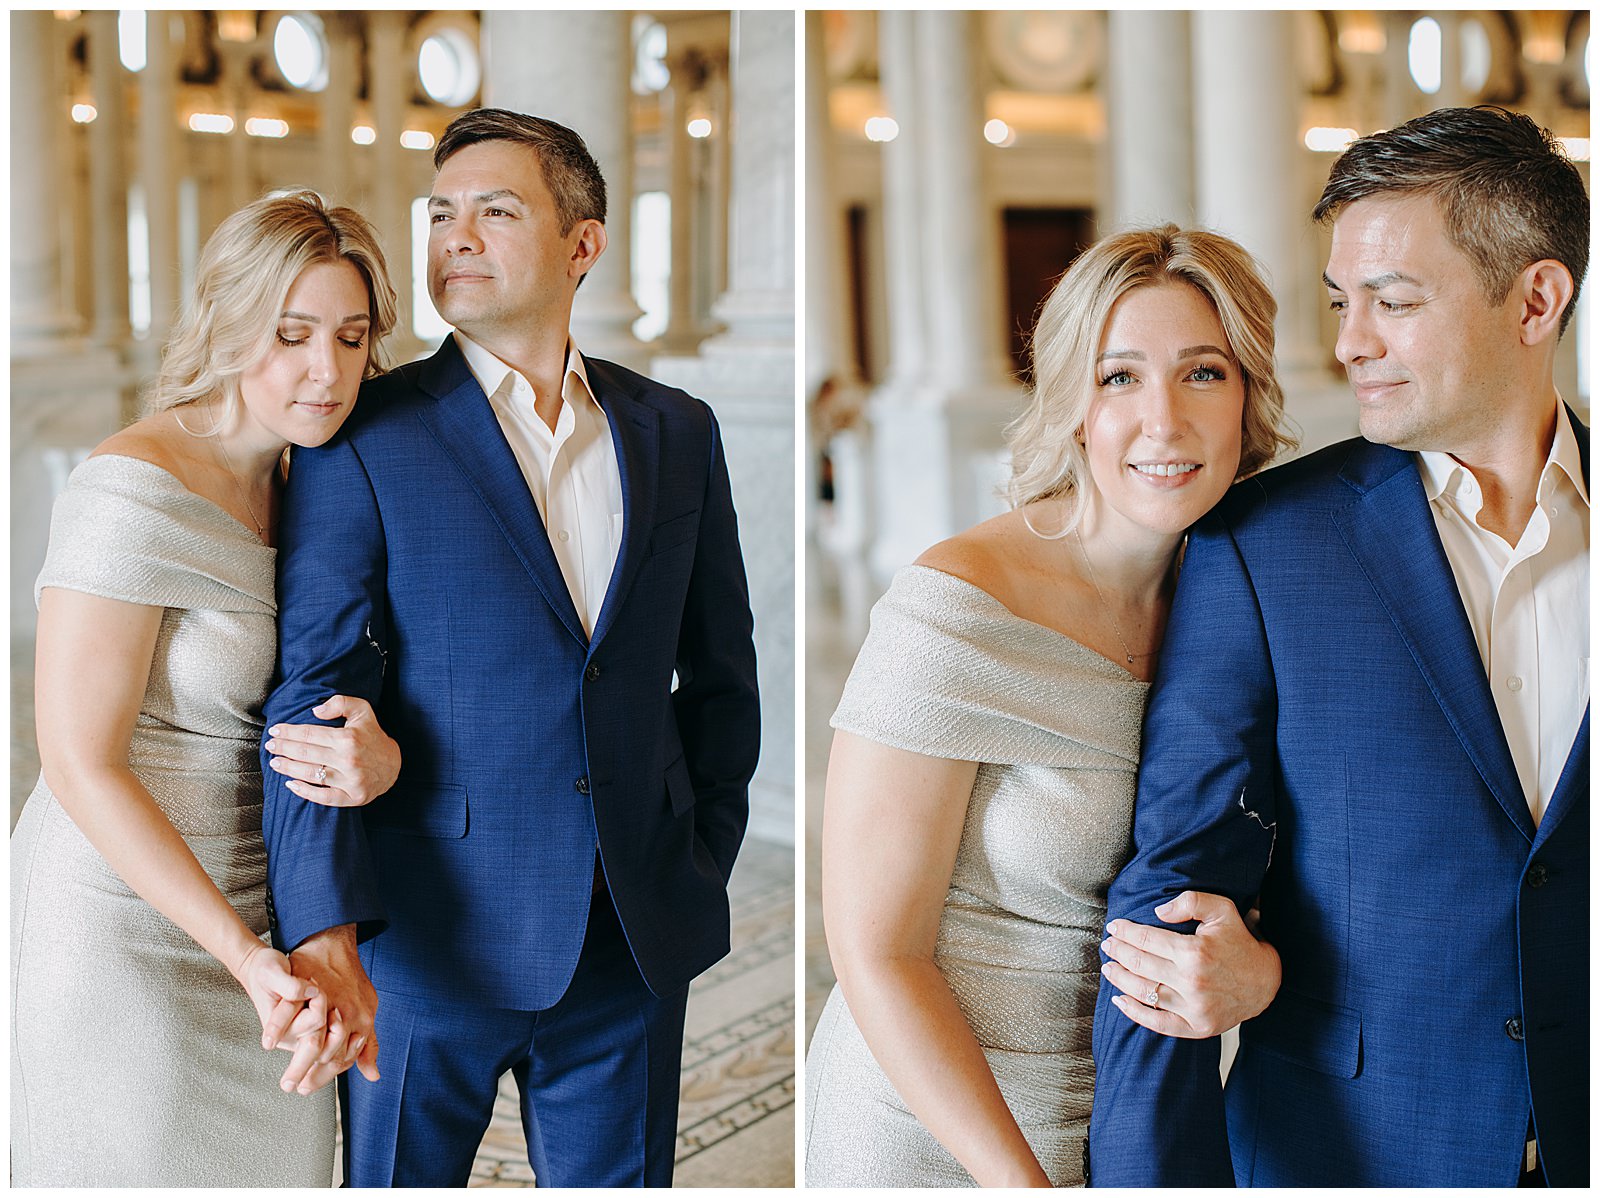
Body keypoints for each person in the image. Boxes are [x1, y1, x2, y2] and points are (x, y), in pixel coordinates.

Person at [260, 108, 760, 1187]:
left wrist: (696, 851)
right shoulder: (365, 434)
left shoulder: (677, 430)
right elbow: (313, 696)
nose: (456, 238)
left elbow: (722, 675)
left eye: (495, 211)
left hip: (631, 937)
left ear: (583, 247)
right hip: (425, 938)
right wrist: (325, 930)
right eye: (441, 214)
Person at [1090, 106, 1588, 1187]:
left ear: (1535, 300)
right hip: (1354, 1153)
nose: (1349, 340)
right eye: (1340, 302)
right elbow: (1167, 911)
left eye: (1392, 302)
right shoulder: (1263, 547)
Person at [804, 227, 1295, 1187]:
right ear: (1073, 404)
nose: (1163, 421)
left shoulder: (1255, 600)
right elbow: (875, 952)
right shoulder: (959, 603)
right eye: (1119, 378)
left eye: (1203, 373)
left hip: (1136, 1119)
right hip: (937, 1127)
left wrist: (1260, 971)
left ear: (1250, 396)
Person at [11, 190, 406, 1185]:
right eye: (293, 334)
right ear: (232, 326)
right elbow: (76, 760)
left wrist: (383, 751)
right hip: (121, 923)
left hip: (269, 923)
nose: (329, 370)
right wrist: (243, 956)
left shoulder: (318, 480)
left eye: (352, 338)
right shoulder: (131, 485)